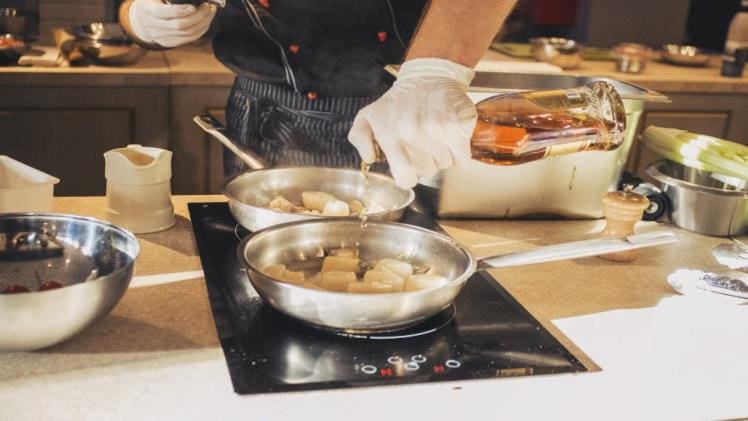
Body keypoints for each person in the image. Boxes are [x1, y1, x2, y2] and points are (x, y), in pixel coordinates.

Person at [119, 0, 517, 189]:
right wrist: (142, 18)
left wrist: (435, 67)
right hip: (263, 110)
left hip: (402, 107)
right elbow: (134, 8)